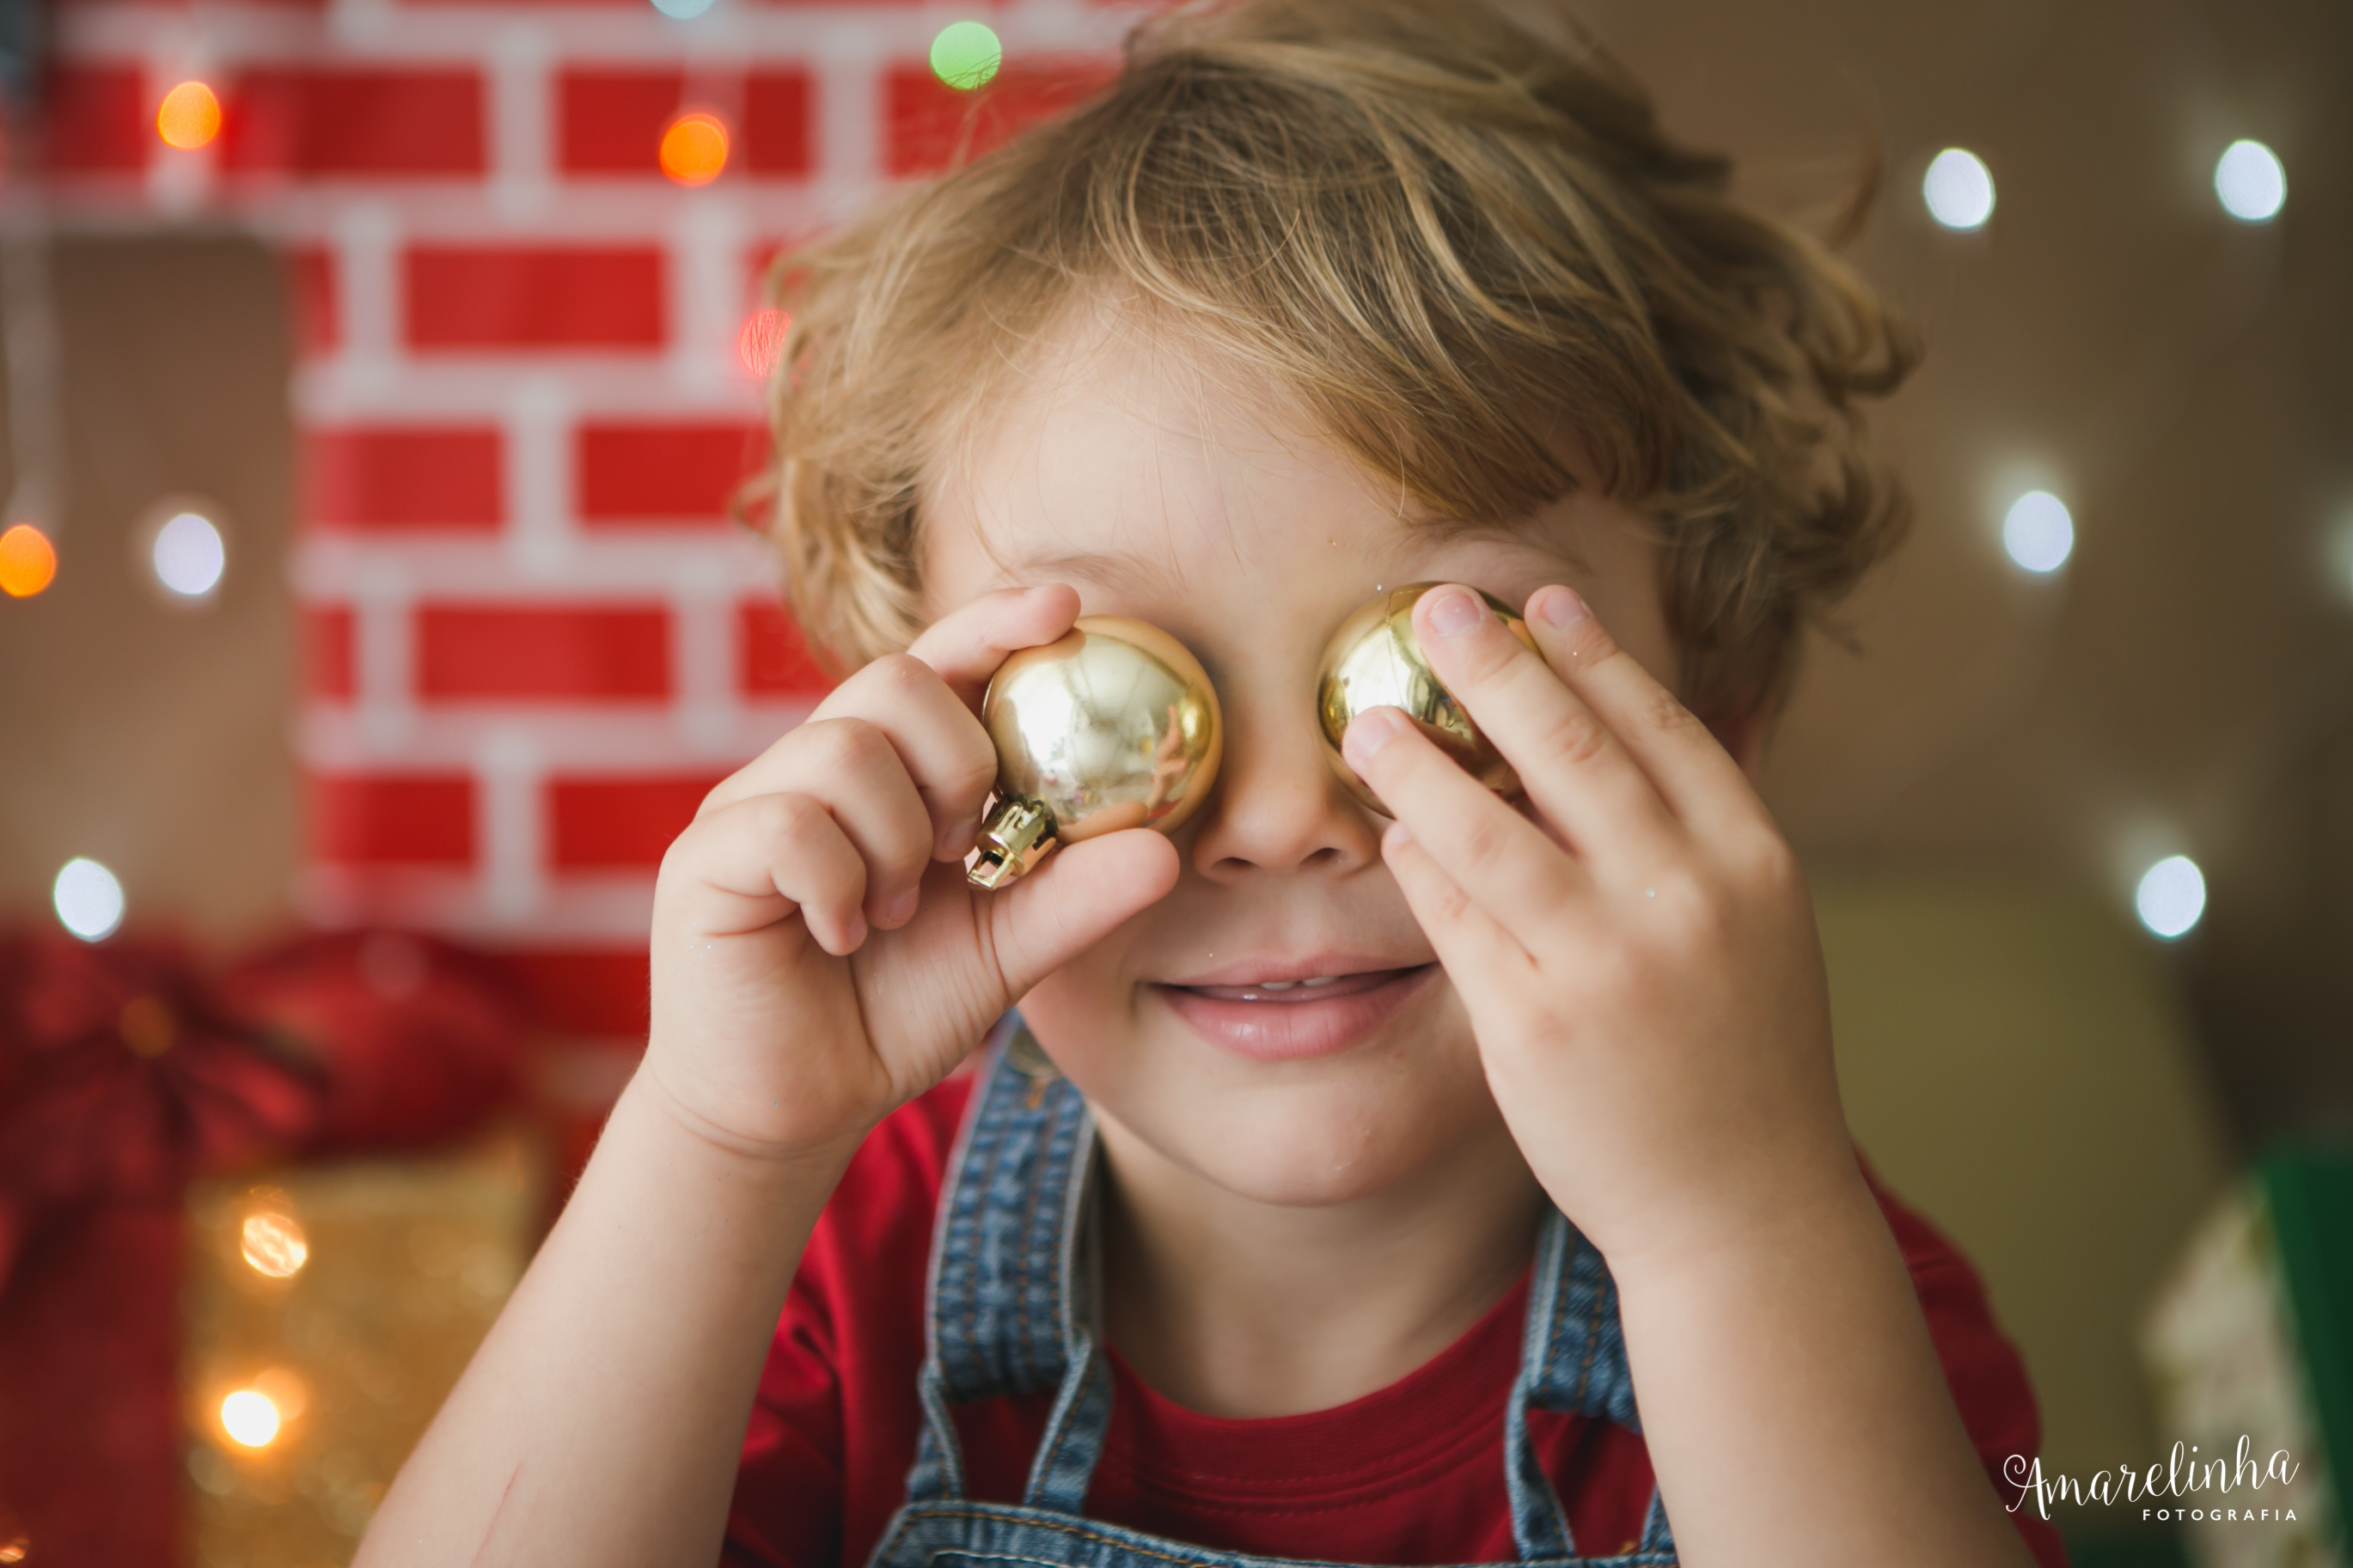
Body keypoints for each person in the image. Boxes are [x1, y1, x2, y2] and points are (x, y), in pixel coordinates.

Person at [355, 3, 2064, 1565]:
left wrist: (1725, 1226)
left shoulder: (1825, 1309)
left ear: (1720, 705)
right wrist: (713, 1140)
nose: (1278, 817)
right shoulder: (823, 1275)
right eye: (1113, 703)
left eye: (1439, 671)